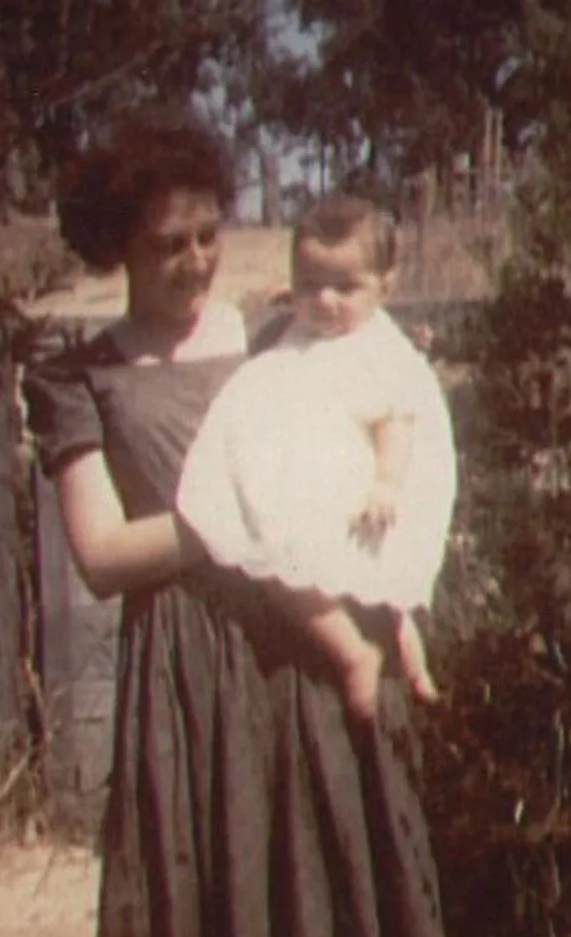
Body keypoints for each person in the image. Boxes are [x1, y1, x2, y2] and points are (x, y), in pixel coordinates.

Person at [24, 111, 458, 937]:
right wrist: (240, 513)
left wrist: (313, 506)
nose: (200, 263)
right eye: (171, 244)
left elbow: (391, 419)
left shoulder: (284, 338)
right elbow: (106, 555)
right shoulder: (84, 377)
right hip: (187, 678)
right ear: (119, 245)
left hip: (299, 662)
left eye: (214, 236)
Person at [176, 193, 458, 723]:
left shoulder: (376, 349)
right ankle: (376, 652)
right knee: (282, 564)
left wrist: (387, 485)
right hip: (306, 490)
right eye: (309, 285)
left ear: (385, 287)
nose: (325, 301)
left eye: (345, 288)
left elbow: (396, 419)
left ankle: (362, 654)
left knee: (310, 573)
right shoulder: (296, 337)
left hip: (357, 500)